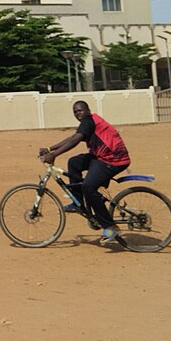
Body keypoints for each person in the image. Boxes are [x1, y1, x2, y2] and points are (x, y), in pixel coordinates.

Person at [38, 100, 131, 245]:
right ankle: (78, 202)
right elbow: (72, 137)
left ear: (87, 110)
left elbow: (75, 139)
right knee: (73, 162)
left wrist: (54, 155)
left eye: (80, 110)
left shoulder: (89, 121)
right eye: (75, 112)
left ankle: (110, 227)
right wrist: (50, 149)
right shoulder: (87, 122)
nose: (78, 114)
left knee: (88, 186)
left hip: (114, 159)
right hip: (101, 157)